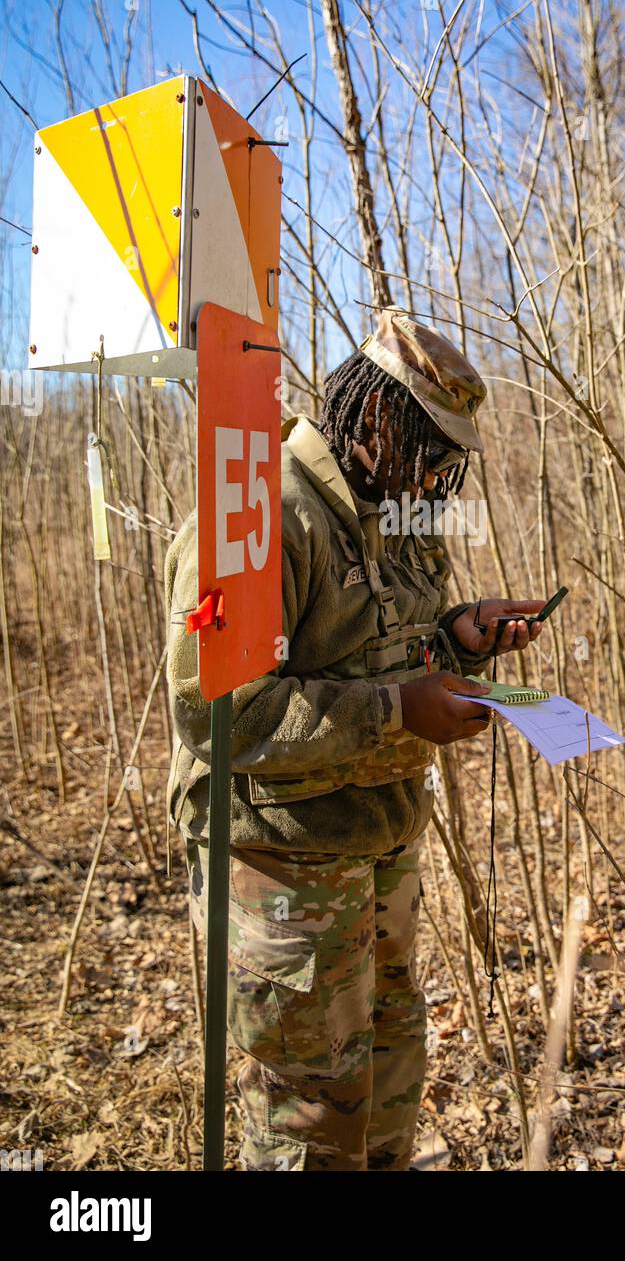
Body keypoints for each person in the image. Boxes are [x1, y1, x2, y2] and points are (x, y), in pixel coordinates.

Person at [164, 306, 547, 1170]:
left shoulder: (396, 512)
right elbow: (218, 712)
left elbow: (386, 649)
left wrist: (460, 636)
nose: (440, 476)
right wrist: (398, 712)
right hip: (283, 873)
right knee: (311, 1128)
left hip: (380, 848)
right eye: (432, 448)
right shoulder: (258, 512)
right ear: (375, 417)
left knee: (385, 1097)